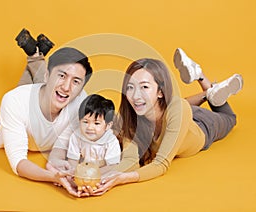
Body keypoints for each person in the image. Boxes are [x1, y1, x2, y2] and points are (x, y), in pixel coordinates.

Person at [82, 48, 243, 196]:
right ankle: (208, 93)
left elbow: (161, 163)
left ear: (160, 91)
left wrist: (121, 179)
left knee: (230, 118)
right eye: (130, 87)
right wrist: (100, 175)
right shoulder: (131, 118)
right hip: (174, 112)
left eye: (144, 87)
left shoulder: (178, 109)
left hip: (204, 125)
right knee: (174, 106)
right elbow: (130, 160)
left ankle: (203, 80)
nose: (135, 95)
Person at [0, 44, 93, 196]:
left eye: (76, 81)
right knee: (24, 92)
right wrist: (53, 177)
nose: (67, 87)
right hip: (8, 122)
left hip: (43, 95)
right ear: (48, 75)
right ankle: (35, 59)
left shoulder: (80, 102)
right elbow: (19, 163)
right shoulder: (14, 101)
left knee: (48, 90)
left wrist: (62, 167)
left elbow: (64, 145)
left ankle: (34, 56)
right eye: (62, 75)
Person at [67, 94, 121, 170]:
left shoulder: (111, 141)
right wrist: (74, 173)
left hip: (102, 174)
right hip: (81, 172)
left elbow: (112, 166)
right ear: (79, 121)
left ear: (108, 125)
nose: (89, 127)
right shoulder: (76, 136)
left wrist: (96, 176)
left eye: (96, 123)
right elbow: (72, 160)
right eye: (85, 122)